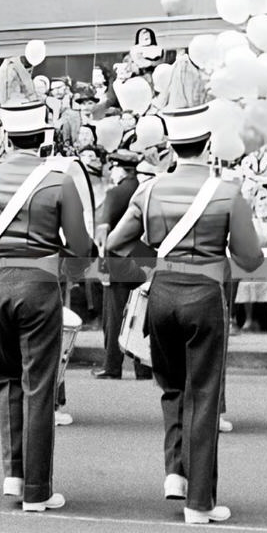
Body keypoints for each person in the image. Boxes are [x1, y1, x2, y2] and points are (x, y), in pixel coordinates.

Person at [106, 56, 264, 524]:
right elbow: (252, 258)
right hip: (205, 295)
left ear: (171, 143)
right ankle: (200, 502)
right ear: (208, 140)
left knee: (171, 386)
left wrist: (154, 264)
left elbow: (116, 244)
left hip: (162, 293)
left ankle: (175, 470)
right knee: (205, 393)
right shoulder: (227, 191)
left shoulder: (149, 190)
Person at [0, 55, 91, 513]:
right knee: (39, 385)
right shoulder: (58, 180)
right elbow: (80, 245)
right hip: (38, 285)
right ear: (43, 133)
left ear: (8, 134)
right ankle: (37, 490)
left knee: (6, 382)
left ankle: (14, 475)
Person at [93, 148, 150, 380]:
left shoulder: (115, 193)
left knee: (114, 315)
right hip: (143, 259)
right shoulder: (144, 190)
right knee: (141, 315)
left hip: (118, 262)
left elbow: (103, 235)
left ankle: (112, 365)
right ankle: (143, 367)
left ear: (118, 169)